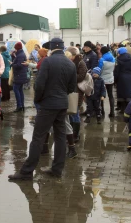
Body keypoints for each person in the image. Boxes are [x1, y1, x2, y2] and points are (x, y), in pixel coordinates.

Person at [8, 38, 77, 180]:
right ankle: (57, 169)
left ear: (51, 48)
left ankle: (27, 172)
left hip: (48, 104)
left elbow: (39, 84)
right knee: (60, 136)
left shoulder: (47, 61)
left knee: (38, 137)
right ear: (63, 48)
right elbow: (71, 87)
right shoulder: (70, 64)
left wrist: (38, 99)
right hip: (62, 104)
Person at [66, 46, 86, 142]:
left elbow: (81, 76)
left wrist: (70, 76)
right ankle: (71, 133)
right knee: (70, 113)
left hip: (77, 91)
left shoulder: (81, 63)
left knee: (75, 113)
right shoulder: (71, 62)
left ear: (74, 55)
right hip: (71, 91)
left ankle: (76, 135)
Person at [114, 46, 131, 113]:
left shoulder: (118, 60)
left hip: (121, 78)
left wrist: (115, 80)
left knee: (121, 93)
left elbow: (116, 71)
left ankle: (123, 109)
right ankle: (130, 108)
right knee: (129, 93)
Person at [98, 46, 116, 118]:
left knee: (102, 95)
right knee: (110, 95)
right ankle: (112, 112)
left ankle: (102, 111)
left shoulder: (102, 60)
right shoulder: (113, 59)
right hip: (110, 79)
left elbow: (99, 70)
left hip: (102, 80)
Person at [11, 42, 28, 112]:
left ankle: (19, 106)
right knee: (20, 90)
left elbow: (19, 65)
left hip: (19, 75)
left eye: (15, 48)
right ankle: (22, 105)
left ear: (17, 48)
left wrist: (12, 64)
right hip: (21, 75)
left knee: (15, 89)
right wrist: (13, 56)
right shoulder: (21, 54)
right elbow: (18, 61)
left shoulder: (20, 55)